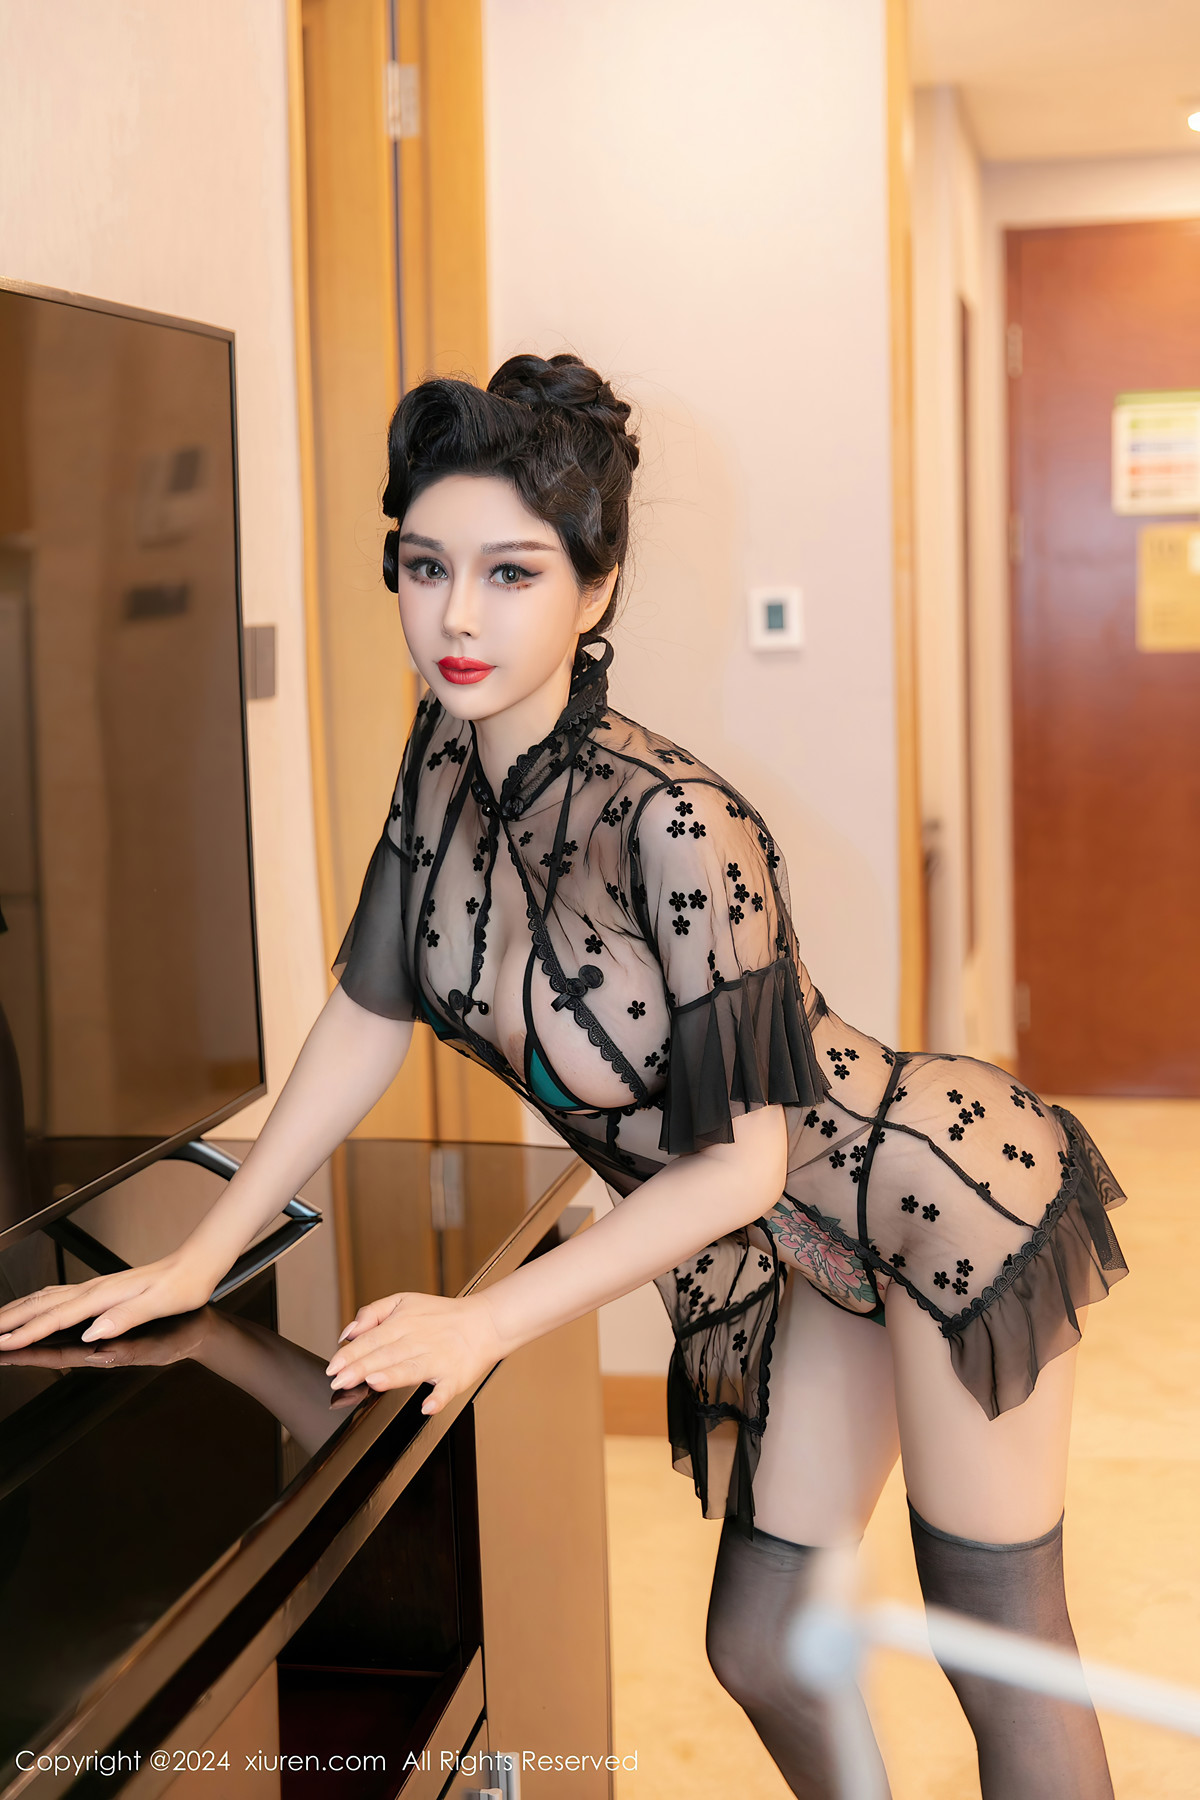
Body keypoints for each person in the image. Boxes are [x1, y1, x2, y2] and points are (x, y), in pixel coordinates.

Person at [0, 354, 1128, 1798]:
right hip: (803, 1245)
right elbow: (367, 1012)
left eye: (512, 573)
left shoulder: (678, 821)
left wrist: (484, 1321)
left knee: (998, 1646)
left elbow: (744, 1164)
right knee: (764, 1646)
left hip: (945, 1200)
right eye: (426, 567)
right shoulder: (443, 758)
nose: (458, 618)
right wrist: (200, 1255)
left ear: (596, 591)